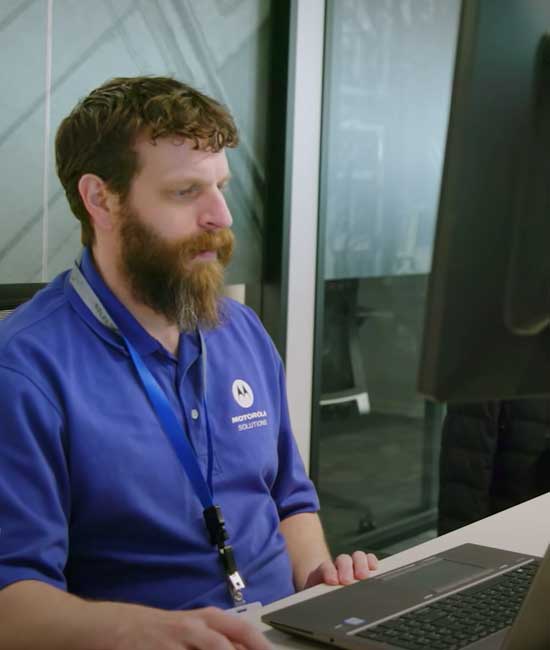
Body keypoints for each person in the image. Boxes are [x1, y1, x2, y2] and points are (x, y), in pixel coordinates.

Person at [0, 76, 378, 649]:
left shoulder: (241, 331)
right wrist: (142, 628)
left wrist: (320, 582)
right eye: (185, 192)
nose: (221, 216)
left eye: (220, 187)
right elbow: (11, 598)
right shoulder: (25, 370)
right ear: (100, 199)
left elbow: (289, 500)